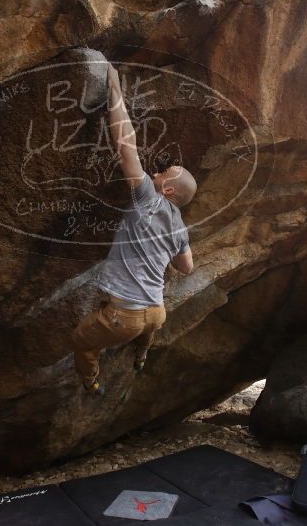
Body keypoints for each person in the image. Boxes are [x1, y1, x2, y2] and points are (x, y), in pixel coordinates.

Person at [71, 63, 197, 395]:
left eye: (167, 171)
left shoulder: (147, 198)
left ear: (168, 190)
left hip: (123, 316)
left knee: (81, 340)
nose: (160, 170)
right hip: (156, 311)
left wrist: (114, 87)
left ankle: (91, 381)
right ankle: (141, 355)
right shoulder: (178, 224)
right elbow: (186, 267)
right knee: (148, 325)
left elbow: (126, 146)